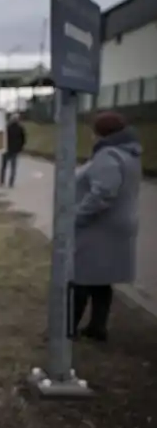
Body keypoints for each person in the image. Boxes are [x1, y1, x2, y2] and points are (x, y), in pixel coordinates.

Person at [73, 111, 142, 342]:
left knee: (78, 276)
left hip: (98, 228)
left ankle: (67, 328)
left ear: (100, 132)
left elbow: (103, 193)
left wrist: (76, 217)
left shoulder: (108, 155)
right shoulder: (129, 154)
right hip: (116, 226)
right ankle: (97, 327)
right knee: (102, 280)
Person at [0, 113, 26, 188]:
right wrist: (20, 148)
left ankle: (2, 182)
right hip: (15, 150)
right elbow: (23, 139)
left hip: (6, 149)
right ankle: (11, 183)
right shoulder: (20, 128)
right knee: (13, 167)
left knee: (3, 167)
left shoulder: (7, 128)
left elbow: (3, 138)